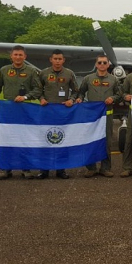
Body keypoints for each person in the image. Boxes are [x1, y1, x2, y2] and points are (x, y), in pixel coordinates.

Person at [0, 45, 42, 180]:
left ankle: (26, 169)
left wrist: (25, 97)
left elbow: (38, 90)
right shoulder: (4, 70)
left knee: (25, 139)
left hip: (25, 109)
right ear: (11, 56)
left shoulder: (31, 71)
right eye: (16, 55)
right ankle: (5, 169)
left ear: (25, 57)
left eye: (21, 55)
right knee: (7, 138)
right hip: (8, 111)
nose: (18, 57)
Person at [37, 49, 80, 180]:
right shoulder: (43, 73)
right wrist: (41, 98)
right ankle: (44, 170)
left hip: (63, 111)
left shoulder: (69, 73)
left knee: (62, 139)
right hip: (47, 111)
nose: (57, 61)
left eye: (60, 59)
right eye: (55, 59)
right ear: (51, 59)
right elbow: (37, 89)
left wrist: (71, 100)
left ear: (63, 60)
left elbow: (76, 90)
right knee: (45, 139)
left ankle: (61, 170)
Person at [76, 55, 121, 178]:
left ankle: (105, 168)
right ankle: (91, 168)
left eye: (104, 62)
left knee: (106, 142)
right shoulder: (88, 79)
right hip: (92, 116)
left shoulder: (114, 80)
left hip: (107, 115)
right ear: (96, 64)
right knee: (90, 140)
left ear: (108, 65)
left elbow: (119, 94)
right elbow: (80, 92)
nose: (102, 64)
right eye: (99, 62)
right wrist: (79, 98)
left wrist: (113, 98)